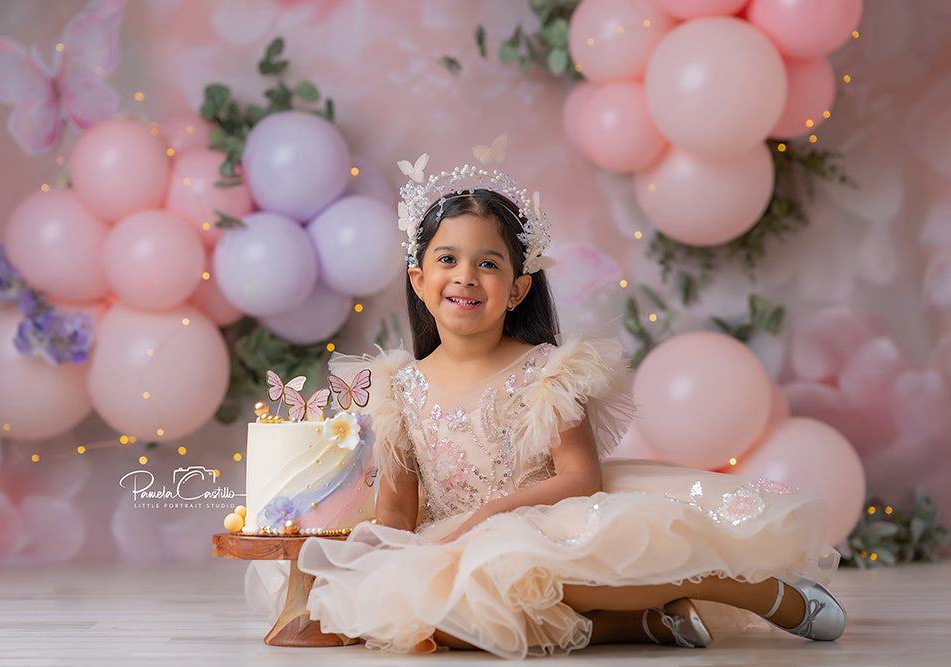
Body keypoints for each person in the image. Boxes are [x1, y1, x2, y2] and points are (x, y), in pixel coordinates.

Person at [286, 155, 845, 658]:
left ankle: (751, 588)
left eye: (488, 263)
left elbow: (581, 478)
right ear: (420, 279)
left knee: (528, 567)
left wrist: (488, 518)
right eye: (448, 259)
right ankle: (631, 624)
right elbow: (399, 510)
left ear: (518, 288)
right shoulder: (399, 387)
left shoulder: (546, 371)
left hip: (550, 525)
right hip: (453, 547)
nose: (465, 276)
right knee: (433, 620)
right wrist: (387, 563)